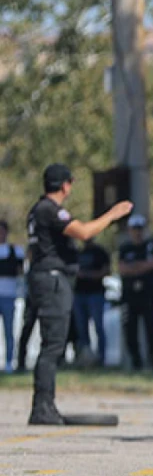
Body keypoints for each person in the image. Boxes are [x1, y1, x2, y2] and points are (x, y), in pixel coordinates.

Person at [25, 164, 131, 424]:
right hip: (52, 281)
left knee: (54, 344)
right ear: (65, 185)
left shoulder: (37, 210)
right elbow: (84, 232)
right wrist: (112, 214)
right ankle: (42, 406)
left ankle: (45, 404)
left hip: (46, 279)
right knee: (53, 345)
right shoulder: (50, 210)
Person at [118, 214, 153, 370]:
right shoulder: (125, 248)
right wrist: (140, 267)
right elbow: (122, 268)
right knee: (130, 330)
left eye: (140, 229)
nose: (137, 233)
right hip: (130, 295)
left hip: (147, 294)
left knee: (152, 328)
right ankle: (135, 361)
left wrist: (135, 267)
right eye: (134, 229)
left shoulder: (151, 245)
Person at [73, 236, 111, 366]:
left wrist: (89, 275)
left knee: (98, 327)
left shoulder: (100, 252)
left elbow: (106, 271)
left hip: (96, 294)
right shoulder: (77, 253)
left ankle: (101, 358)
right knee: (81, 328)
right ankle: (85, 358)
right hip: (79, 294)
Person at [0, 220, 25, 373]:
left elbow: (21, 272)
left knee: (9, 331)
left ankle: (10, 361)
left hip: (9, 295)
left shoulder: (15, 251)